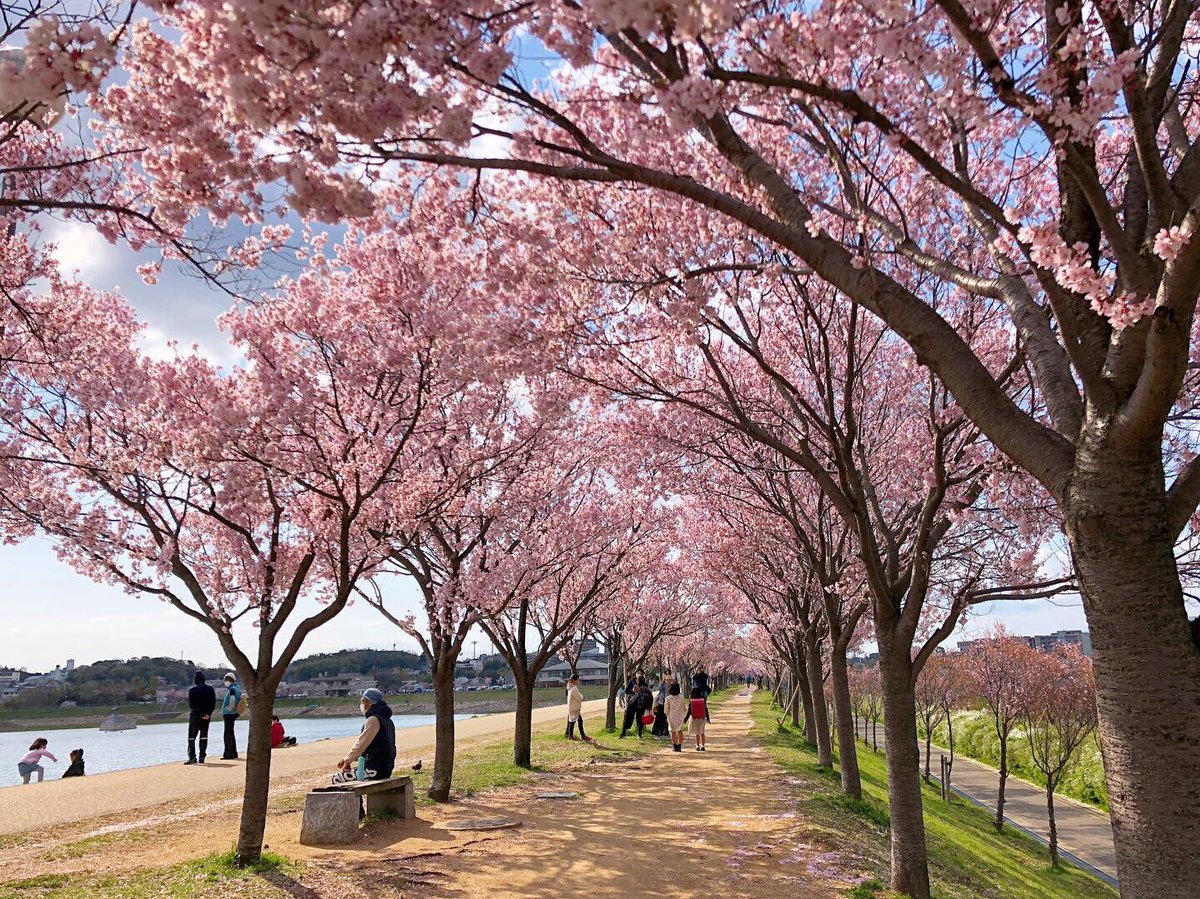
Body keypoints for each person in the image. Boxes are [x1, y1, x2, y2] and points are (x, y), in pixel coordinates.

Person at [338, 688, 396, 782]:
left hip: (376, 769)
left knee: (337, 779)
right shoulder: (387, 720)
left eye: (362, 701)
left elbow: (362, 744)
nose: (361, 705)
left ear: (369, 703)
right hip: (385, 767)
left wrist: (347, 760)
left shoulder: (373, 720)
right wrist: (351, 759)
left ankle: (357, 797)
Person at [185, 671, 216, 765]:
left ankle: (192, 757)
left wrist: (201, 713)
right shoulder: (210, 690)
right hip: (207, 716)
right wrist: (207, 714)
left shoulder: (192, 691)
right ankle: (202, 757)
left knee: (191, 738)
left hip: (195, 716)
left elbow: (192, 705)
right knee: (204, 736)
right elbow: (213, 703)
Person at [220, 672, 242, 760]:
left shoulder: (232, 689)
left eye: (226, 680)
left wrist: (228, 709)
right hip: (233, 714)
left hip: (229, 714)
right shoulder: (238, 689)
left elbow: (232, 700)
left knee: (227, 734)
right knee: (231, 733)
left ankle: (228, 753)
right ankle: (234, 753)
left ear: (230, 680)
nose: (225, 682)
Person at [683, 686, 712, 751]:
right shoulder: (702, 701)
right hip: (702, 718)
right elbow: (706, 710)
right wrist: (708, 718)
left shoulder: (692, 702)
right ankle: (703, 745)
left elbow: (689, 711)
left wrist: (685, 720)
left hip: (694, 718)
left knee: (697, 733)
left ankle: (697, 745)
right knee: (702, 732)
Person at [565, 675, 592, 741]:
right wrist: (582, 696)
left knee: (573, 721)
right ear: (574, 680)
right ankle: (581, 736)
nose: (578, 681)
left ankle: (571, 735)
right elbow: (579, 697)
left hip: (572, 707)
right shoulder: (574, 688)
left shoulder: (569, 687)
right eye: (577, 680)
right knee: (577, 721)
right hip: (575, 707)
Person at [664, 682, 688, 752]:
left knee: (673, 732)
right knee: (680, 731)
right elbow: (684, 707)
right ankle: (679, 746)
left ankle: (674, 746)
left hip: (671, 716)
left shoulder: (668, 698)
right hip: (680, 716)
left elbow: (666, 709)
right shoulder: (681, 697)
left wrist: (666, 717)